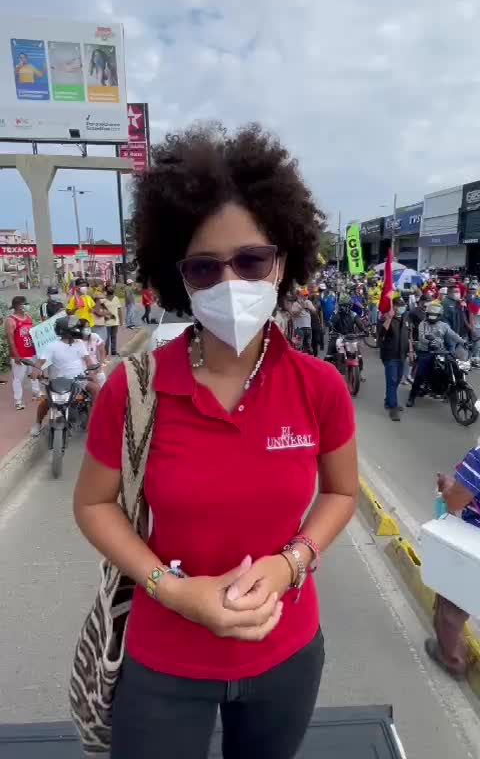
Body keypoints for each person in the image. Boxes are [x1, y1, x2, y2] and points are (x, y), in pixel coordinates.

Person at [72, 123, 358, 759]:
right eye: (205, 267)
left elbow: (341, 492)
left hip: (287, 655)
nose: (230, 282)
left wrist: (292, 563)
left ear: (282, 262)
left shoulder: (320, 386)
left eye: (250, 261)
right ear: (181, 279)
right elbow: (92, 504)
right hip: (162, 662)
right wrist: (171, 589)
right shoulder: (134, 388)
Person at [426, 448, 480, 678]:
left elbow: (456, 500)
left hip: (473, 547)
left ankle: (451, 658)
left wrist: (449, 486)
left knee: (451, 604)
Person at [30, 317, 100, 437]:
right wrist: (36, 370)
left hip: (79, 379)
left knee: (96, 389)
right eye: (77, 328)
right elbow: (40, 362)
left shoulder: (79, 344)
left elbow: (88, 360)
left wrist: (92, 372)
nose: (79, 330)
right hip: (59, 381)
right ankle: (37, 423)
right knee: (46, 401)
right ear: (67, 331)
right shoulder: (52, 346)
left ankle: (93, 422)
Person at [407, 303, 466, 408]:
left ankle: (449, 390)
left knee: (453, 367)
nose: (432, 318)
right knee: (420, 374)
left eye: (434, 315)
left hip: (440, 351)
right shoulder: (423, 324)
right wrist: (429, 343)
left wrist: (464, 342)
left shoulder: (444, 325)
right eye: (430, 315)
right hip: (425, 351)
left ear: (439, 315)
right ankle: (412, 397)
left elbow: (453, 335)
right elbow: (421, 337)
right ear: (427, 314)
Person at [4, 296, 42, 410]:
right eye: (24, 304)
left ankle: (36, 393)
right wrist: (16, 355)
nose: (26, 306)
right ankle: (18, 401)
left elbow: (33, 333)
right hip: (20, 354)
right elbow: (10, 339)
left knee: (34, 374)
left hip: (32, 352)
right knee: (18, 378)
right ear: (18, 306)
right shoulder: (10, 320)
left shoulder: (28, 317)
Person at [378, 297, 412, 421]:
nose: (401, 307)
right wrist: (389, 318)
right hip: (390, 355)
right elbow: (381, 334)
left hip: (402, 354)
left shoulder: (406, 318)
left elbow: (409, 336)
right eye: (398, 305)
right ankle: (393, 408)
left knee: (397, 379)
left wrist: (411, 351)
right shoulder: (385, 318)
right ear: (393, 307)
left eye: (402, 305)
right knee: (392, 380)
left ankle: (389, 400)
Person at [79, 320, 107, 387]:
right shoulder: (76, 341)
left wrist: (100, 365)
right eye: (85, 327)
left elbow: (102, 351)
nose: (87, 329)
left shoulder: (94, 336)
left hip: (95, 367)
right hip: (81, 369)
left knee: (101, 377)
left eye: (88, 327)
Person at [103, 284, 123, 356]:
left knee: (114, 336)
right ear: (106, 289)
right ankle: (106, 351)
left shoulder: (116, 298)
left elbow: (119, 310)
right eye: (109, 288)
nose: (111, 289)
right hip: (106, 322)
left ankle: (113, 351)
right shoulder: (103, 299)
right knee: (107, 337)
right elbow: (100, 309)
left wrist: (121, 320)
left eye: (112, 288)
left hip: (115, 321)